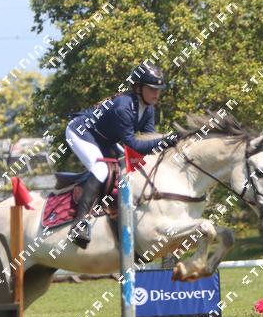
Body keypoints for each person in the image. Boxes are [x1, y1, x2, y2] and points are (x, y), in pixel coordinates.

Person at [64, 62, 178, 248]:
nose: (156, 94)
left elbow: (148, 140)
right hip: (81, 132)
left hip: (105, 139)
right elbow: (133, 145)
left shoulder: (149, 109)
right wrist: (164, 141)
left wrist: (166, 144)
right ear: (138, 87)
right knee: (101, 169)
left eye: (158, 89)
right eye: (152, 89)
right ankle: (79, 224)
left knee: (137, 167)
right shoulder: (123, 107)